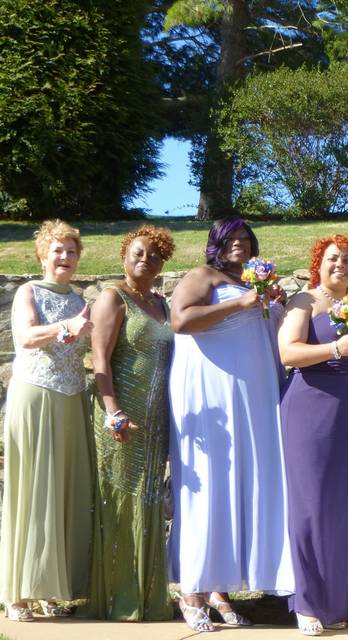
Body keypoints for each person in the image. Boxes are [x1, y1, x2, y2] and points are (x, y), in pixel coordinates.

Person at [167, 216, 294, 632]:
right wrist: (241, 303)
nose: (239, 244)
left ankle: (221, 586)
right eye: (231, 239)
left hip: (253, 393)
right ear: (216, 244)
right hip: (212, 392)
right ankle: (193, 588)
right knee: (213, 480)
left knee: (248, 480)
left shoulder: (253, 283)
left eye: (245, 239)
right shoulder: (203, 275)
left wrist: (274, 303)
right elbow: (181, 321)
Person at [278, 234, 348, 636]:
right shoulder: (304, 302)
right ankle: (308, 601)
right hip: (312, 410)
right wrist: (334, 350)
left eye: (346, 259)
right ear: (318, 264)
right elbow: (288, 353)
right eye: (331, 259)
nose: (339, 265)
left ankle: (345, 601)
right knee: (312, 506)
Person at [0, 219, 95, 622]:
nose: (65, 257)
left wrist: (83, 327)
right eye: (58, 250)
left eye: (72, 251)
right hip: (35, 395)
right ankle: (17, 592)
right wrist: (66, 327)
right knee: (32, 490)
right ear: (42, 254)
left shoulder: (79, 298)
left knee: (61, 491)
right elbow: (24, 336)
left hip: (72, 400)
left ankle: (50, 589)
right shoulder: (29, 291)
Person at [83, 225, 176, 621]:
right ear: (124, 255)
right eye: (138, 253)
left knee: (151, 502)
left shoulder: (163, 304)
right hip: (122, 417)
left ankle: (149, 598)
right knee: (120, 501)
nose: (145, 260)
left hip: (157, 422)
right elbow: (100, 361)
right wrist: (113, 411)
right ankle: (119, 600)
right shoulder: (112, 297)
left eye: (154, 256)